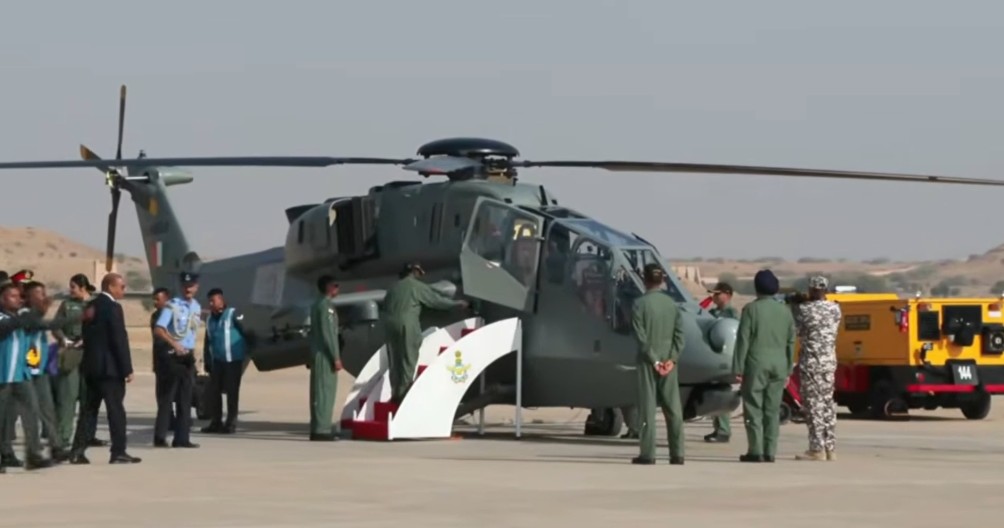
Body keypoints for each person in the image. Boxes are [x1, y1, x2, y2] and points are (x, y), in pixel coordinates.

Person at [67, 272, 141, 464]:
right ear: (110, 287)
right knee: (116, 411)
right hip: (110, 370)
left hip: (92, 368)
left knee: (89, 411)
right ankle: (118, 451)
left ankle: (77, 451)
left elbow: (86, 334)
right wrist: (127, 368)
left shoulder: (91, 306)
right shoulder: (113, 308)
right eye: (121, 286)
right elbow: (118, 339)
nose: (124, 290)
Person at [733, 269, 796, 463]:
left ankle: (755, 450)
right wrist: (788, 368)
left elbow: (743, 340)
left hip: (756, 364)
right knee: (772, 409)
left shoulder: (751, 310)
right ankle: (770, 451)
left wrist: (738, 367)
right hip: (779, 365)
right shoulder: (785, 312)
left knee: (753, 408)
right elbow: (791, 342)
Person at [382, 262, 469, 403]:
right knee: (408, 359)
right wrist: (457, 303)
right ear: (415, 271)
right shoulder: (416, 286)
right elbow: (436, 301)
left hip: (389, 326)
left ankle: (395, 393)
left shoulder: (392, 288)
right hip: (407, 325)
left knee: (394, 360)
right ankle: (403, 395)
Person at [630, 263, 686, 465]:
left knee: (647, 408)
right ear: (662, 280)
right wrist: (671, 360)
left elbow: (641, 337)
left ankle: (648, 453)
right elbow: (680, 336)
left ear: (644, 279)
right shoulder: (672, 305)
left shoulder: (639, 304)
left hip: (648, 361)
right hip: (669, 361)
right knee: (673, 408)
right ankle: (677, 453)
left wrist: (654, 360)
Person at [0, 282, 58, 471]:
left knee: (32, 411)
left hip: (20, 375)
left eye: (19, 296)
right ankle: (5, 454)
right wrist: (30, 314)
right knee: (3, 418)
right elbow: (7, 327)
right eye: (13, 296)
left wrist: (75, 318)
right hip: (3, 376)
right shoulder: (4, 317)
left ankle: (33, 455)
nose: (18, 299)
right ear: (2, 299)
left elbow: (44, 324)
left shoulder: (21, 316)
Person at [793, 276, 841, 461]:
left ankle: (816, 448)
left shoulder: (805, 310)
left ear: (811, 290)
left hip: (812, 362)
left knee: (813, 405)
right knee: (828, 404)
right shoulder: (835, 309)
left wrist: (796, 305)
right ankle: (830, 448)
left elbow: (798, 331)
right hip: (829, 362)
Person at [152, 273, 201, 448]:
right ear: (181, 287)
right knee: (167, 398)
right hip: (173, 356)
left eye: (191, 286)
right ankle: (160, 436)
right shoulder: (172, 306)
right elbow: (159, 329)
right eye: (185, 286)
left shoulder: (196, 307)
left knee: (185, 399)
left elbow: (193, 332)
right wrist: (174, 343)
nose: (188, 289)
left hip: (187, 357)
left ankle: (182, 438)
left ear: (196, 287)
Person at [21, 281, 68, 461]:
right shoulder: (24, 315)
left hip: (38, 369)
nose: (43, 296)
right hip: (25, 370)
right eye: (39, 293)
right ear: (29, 297)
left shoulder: (37, 315)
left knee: (47, 409)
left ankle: (56, 446)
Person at [50, 274, 97, 451]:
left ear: (83, 288)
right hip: (70, 354)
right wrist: (63, 339)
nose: (71, 290)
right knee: (67, 399)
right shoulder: (66, 305)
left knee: (88, 400)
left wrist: (87, 339)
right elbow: (55, 326)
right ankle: (63, 438)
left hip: (89, 355)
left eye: (73, 287)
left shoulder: (95, 305)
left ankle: (85, 437)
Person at [201, 288, 249, 434]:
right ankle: (216, 422)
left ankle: (231, 423)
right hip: (217, 361)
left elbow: (246, 332)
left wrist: (245, 352)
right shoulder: (210, 319)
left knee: (232, 392)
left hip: (233, 361)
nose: (211, 304)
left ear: (221, 301)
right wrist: (207, 360)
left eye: (213, 301)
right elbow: (208, 341)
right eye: (209, 301)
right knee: (214, 392)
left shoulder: (232, 314)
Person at [308, 275, 341, 441]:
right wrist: (335, 357)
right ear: (328, 287)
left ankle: (318, 427)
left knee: (319, 392)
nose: (338, 289)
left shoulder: (317, 304)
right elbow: (328, 334)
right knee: (325, 392)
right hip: (325, 355)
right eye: (335, 285)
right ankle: (322, 429)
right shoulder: (325, 306)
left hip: (319, 353)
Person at [705, 281, 739, 443]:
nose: (714, 297)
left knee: (722, 393)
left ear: (728, 295)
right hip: (713, 357)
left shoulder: (732, 314)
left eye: (718, 294)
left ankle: (724, 430)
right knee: (714, 394)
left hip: (726, 358)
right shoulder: (711, 313)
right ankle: (717, 427)